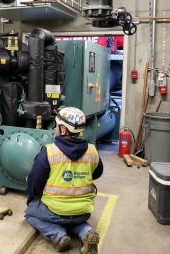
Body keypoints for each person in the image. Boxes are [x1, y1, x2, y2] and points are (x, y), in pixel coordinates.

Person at [25, 107, 104, 254]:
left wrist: (33, 198)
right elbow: (97, 173)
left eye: (57, 125)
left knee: (30, 213)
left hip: (55, 211)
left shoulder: (48, 152)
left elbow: (34, 184)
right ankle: (87, 232)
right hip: (83, 211)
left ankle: (58, 235)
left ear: (63, 130)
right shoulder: (93, 151)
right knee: (74, 220)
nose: (55, 128)